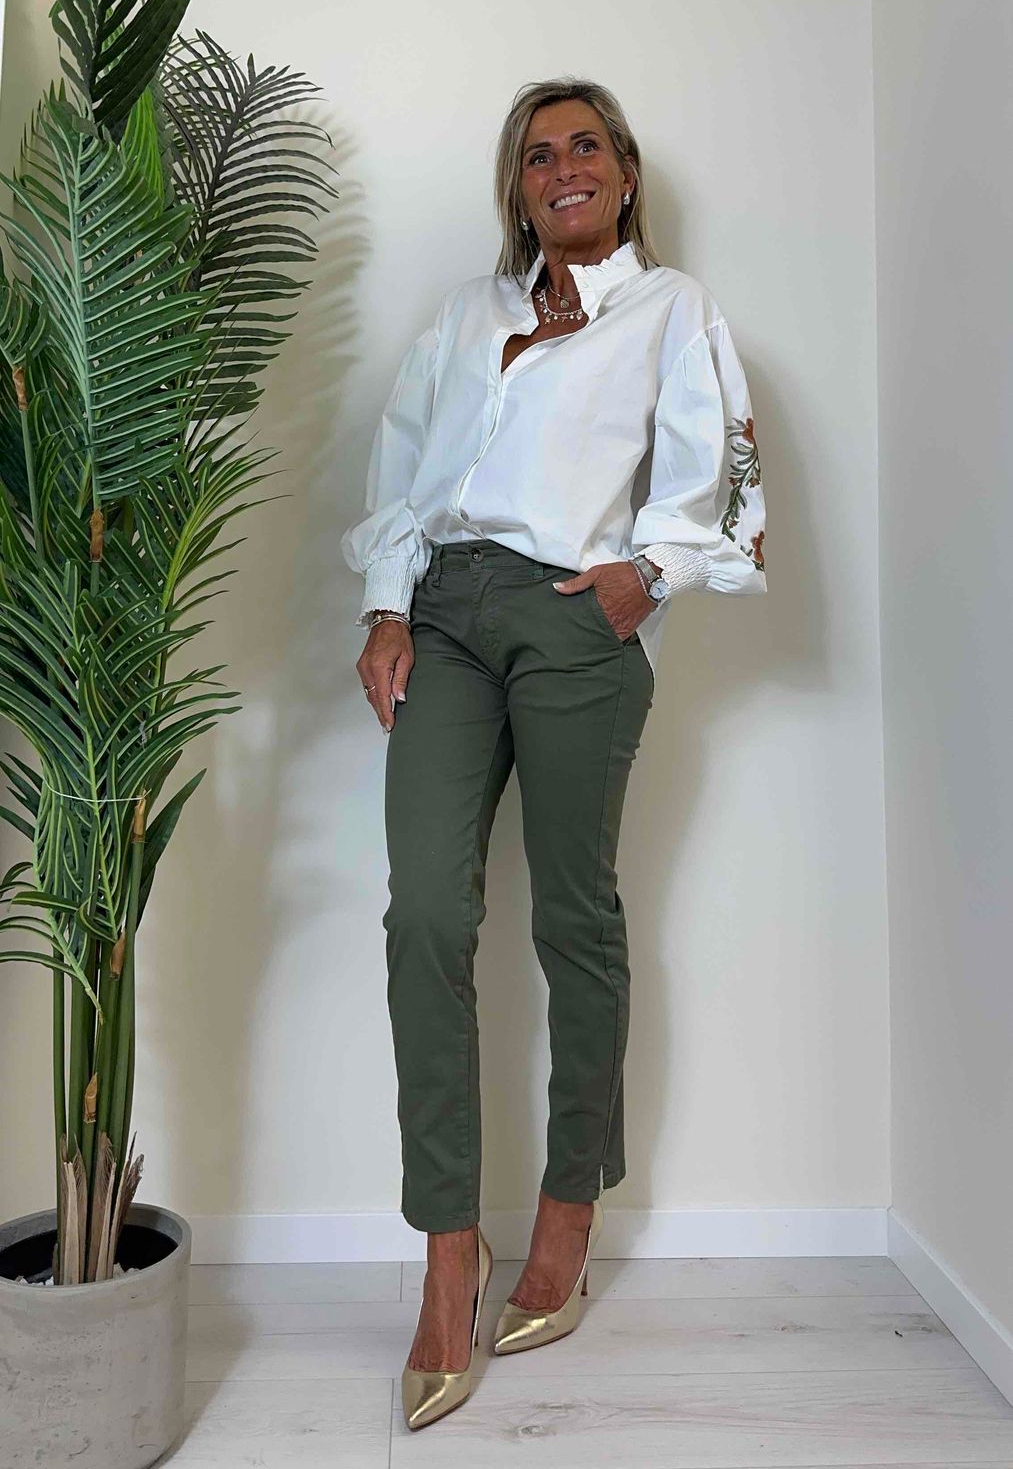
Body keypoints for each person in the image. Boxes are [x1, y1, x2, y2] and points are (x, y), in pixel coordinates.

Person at [340, 76, 767, 1430]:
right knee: (426, 913)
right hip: (447, 616)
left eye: (585, 146)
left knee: (574, 918)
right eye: (537, 154)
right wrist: (387, 606)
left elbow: (721, 472)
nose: (562, 167)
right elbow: (403, 466)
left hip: (577, 616)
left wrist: (651, 575)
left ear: (624, 173)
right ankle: (448, 1253)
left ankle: (569, 1212)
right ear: (516, 187)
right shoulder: (467, 315)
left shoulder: (672, 309)